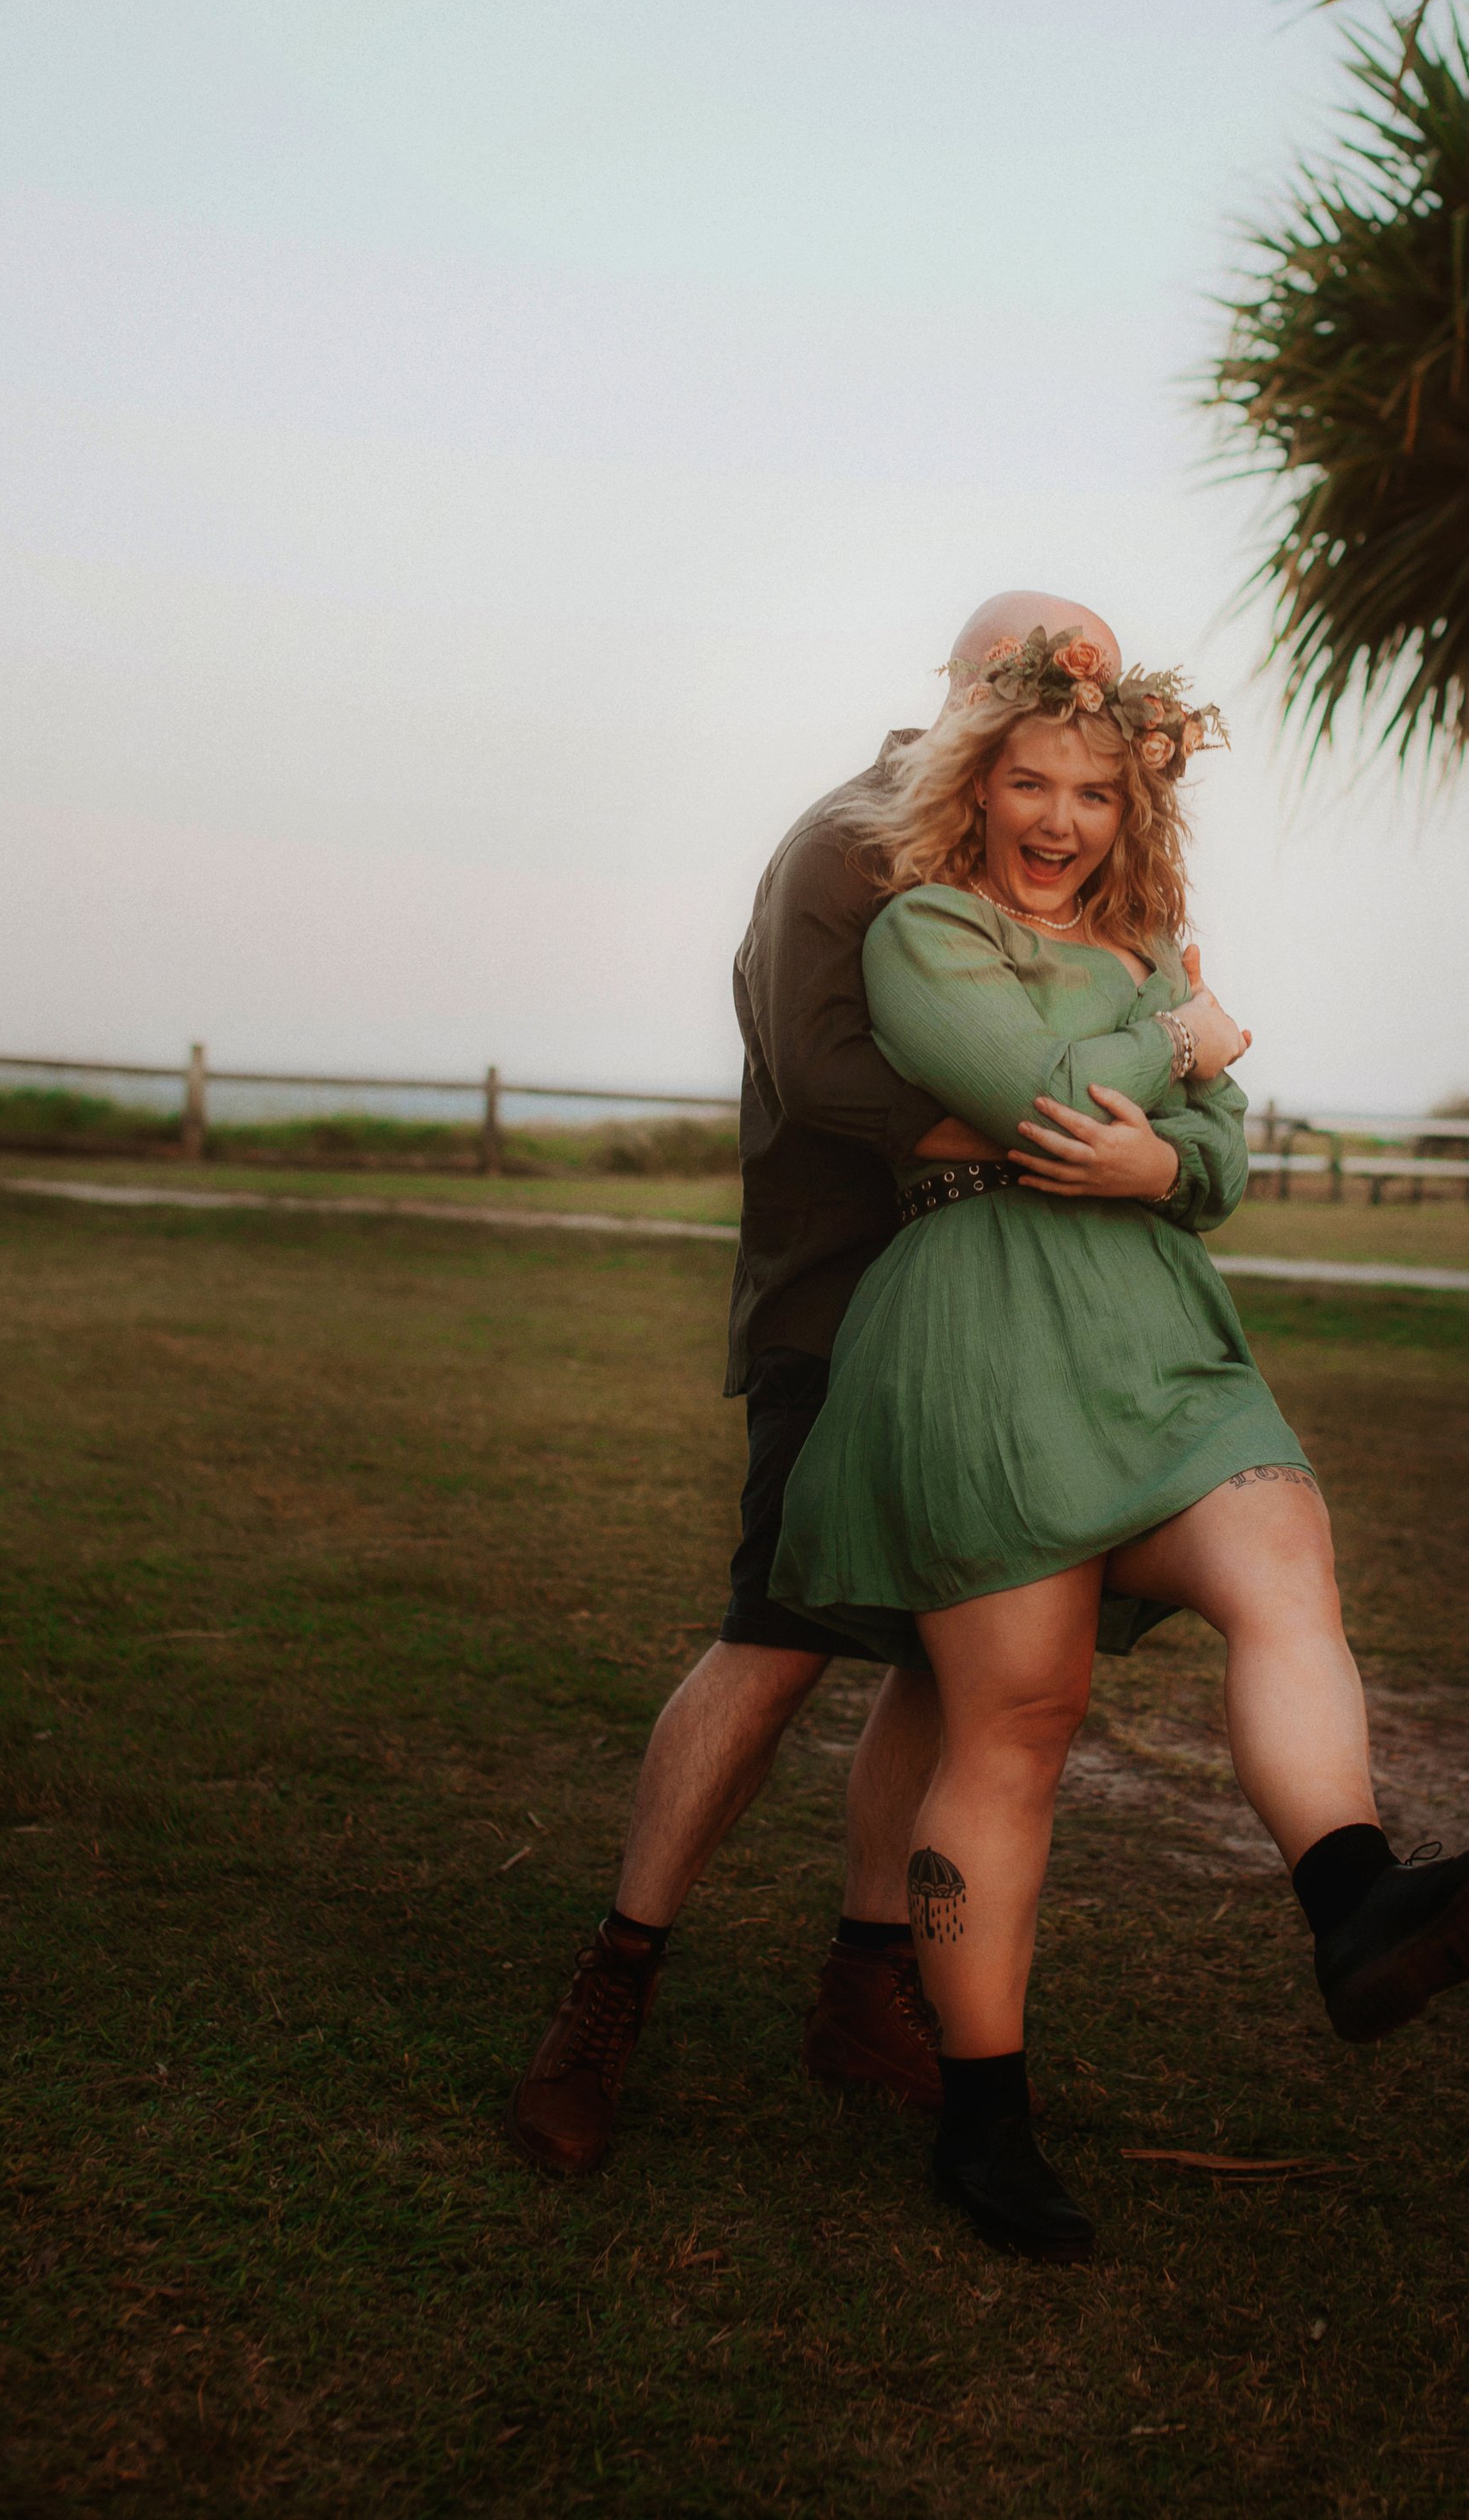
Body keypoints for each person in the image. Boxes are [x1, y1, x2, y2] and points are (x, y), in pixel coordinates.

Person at [770, 625, 1469, 2260]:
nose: (1061, 819)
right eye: (1032, 782)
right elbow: (1045, 1094)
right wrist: (1185, 1045)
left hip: (1153, 1324)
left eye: (1097, 792)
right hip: (980, 1323)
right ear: (976, 785)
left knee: (1284, 1549)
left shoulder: (1147, 947)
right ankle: (984, 2122)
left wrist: (1171, 1166)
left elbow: (1217, 1156)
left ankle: (1356, 1902)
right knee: (1018, 1719)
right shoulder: (927, 930)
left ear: (1138, 811)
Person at [503, 590, 1250, 2179]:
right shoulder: (850, 841)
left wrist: (1144, 1114)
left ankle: (866, 1985)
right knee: (772, 1645)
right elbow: (821, 1065)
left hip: (1006, 1318)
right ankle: (609, 1987)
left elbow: (1147, 1043)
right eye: (1036, 680)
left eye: (1095, 699)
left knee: (949, 1661)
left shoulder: (1041, 860)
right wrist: (1056, 1121)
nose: (1063, 714)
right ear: (968, 679)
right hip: (843, 1306)